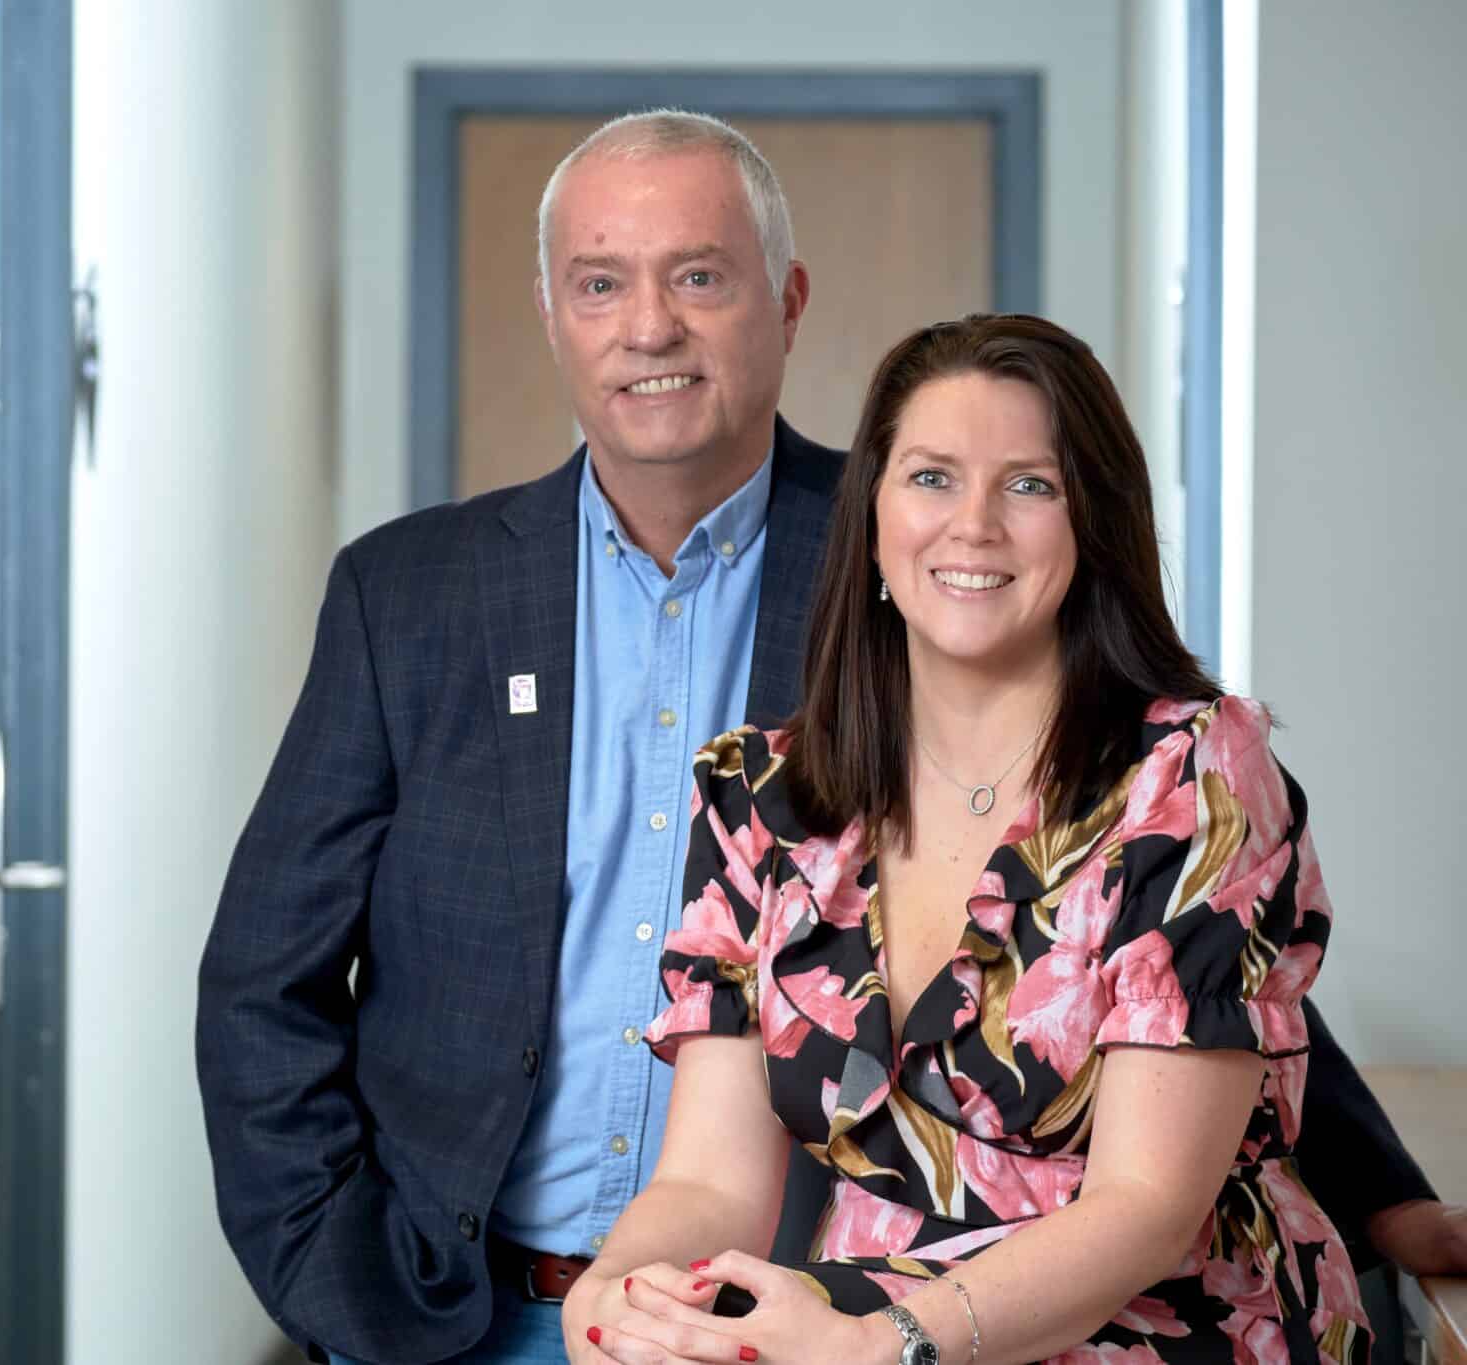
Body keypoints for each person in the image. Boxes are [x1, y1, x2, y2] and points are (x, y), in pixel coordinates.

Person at [195, 111, 1461, 1365]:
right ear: (550, 309)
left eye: (698, 276)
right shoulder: (424, 603)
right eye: (600, 283)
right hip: (479, 1306)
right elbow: (267, 980)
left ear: (786, 299)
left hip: (821, 1315)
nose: (650, 327)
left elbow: (1185, 971)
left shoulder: (911, 584)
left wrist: (1380, 1195)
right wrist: (335, 1283)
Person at [562, 313, 1373, 1365]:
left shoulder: (1190, 777)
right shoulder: (762, 794)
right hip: (846, 1334)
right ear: (872, 520)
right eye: (931, 477)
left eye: (1028, 485)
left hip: (1156, 1333)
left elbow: (1144, 1209)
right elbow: (708, 1183)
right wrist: (616, 1304)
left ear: (1094, 525)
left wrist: (887, 1346)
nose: (973, 525)